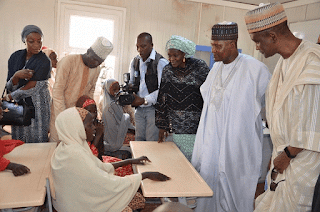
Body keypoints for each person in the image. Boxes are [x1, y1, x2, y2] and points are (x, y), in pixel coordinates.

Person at [244, 3, 320, 211]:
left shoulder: (312, 62)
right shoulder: (284, 62)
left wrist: (286, 155)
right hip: (284, 158)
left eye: (258, 41)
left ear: (272, 36)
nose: (257, 47)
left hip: (302, 164)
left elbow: (313, 125)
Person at [191, 22, 271, 212]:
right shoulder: (215, 70)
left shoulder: (255, 70)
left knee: (235, 194)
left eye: (217, 46)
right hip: (212, 146)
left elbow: (272, 106)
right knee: (209, 191)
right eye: (212, 45)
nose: (212, 50)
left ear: (232, 44)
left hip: (238, 149)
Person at [51, 107, 170, 212]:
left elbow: (100, 168)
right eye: (90, 125)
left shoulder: (68, 146)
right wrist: (145, 175)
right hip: (81, 206)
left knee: (134, 197)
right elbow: (106, 183)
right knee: (133, 203)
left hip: (76, 201)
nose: (94, 128)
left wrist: (130, 161)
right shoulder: (75, 154)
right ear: (76, 128)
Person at [155, 35, 209, 161]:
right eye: (169, 55)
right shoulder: (167, 70)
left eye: (175, 55)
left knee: (192, 161)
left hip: (195, 125)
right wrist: (162, 126)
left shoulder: (199, 67)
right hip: (174, 125)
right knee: (174, 160)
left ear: (184, 54)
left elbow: (210, 91)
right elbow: (162, 97)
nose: (171, 59)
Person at [49, 36, 113, 143]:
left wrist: (89, 113)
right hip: (60, 113)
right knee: (57, 144)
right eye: (94, 59)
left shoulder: (96, 69)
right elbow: (57, 91)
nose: (96, 64)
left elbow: (91, 90)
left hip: (80, 118)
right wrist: (64, 117)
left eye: (100, 62)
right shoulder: (68, 61)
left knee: (75, 146)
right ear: (88, 51)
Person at [4, 25, 51, 143]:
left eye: (39, 41)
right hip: (19, 106)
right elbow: (9, 86)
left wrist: (10, 97)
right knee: (20, 140)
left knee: (38, 139)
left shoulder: (45, 61)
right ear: (24, 41)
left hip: (38, 105)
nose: (37, 45)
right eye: (31, 41)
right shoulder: (15, 57)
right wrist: (16, 75)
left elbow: (34, 87)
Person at [129, 32, 169, 141]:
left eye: (143, 46)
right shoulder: (135, 61)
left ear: (152, 45)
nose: (139, 50)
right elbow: (132, 82)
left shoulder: (161, 62)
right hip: (139, 110)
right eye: (137, 47)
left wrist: (144, 100)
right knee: (139, 140)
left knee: (151, 142)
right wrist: (129, 92)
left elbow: (163, 90)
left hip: (154, 109)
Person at [101, 79, 134, 155]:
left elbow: (121, 120)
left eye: (119, 89)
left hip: (120, 131)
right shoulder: (109, 107)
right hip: (113, 140)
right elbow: (112, 129)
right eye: (114, 90)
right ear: (108, 91)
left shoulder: (116, 103)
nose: (117, 92)